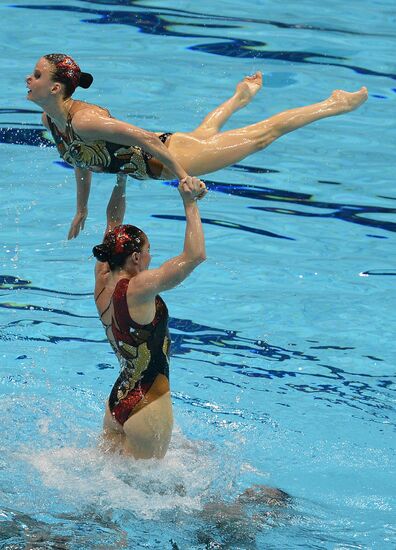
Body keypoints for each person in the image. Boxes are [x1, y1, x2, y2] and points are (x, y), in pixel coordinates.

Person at [26, 53, 368, 239]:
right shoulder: (52, 122)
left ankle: (334, 104)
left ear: (56, 89)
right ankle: (240, 96)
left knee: (263, 135)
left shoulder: (85, 121)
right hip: (161, 155)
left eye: (38, 75)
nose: (30, 79)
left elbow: (143, 139)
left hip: (170, 156)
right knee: (205, 133)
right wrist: (82, 209)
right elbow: (83, 162)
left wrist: (183, 177)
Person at [92, 175, 206, 459]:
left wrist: (121, 177)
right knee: (154, 498)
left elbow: (112, 224)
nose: (150, 258)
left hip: (118, 397)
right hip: (147, 404)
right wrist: (189, 203)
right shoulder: (138, 288)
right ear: (134, 259)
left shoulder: (101, 279)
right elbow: (195, 256)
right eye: (147, 252)